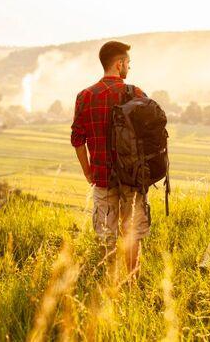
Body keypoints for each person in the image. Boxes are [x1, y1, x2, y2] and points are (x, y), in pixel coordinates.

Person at [70, 40, 150, 278]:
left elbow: (77, 139)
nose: (129, 68)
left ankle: (110, 284)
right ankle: (131, 283)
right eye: (128, 63)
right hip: (132, 177)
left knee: (106, 235)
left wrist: (87, 171)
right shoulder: (135, 93)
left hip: (102, 177)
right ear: (119, 64)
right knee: (132, 233)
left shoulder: (85, 96)